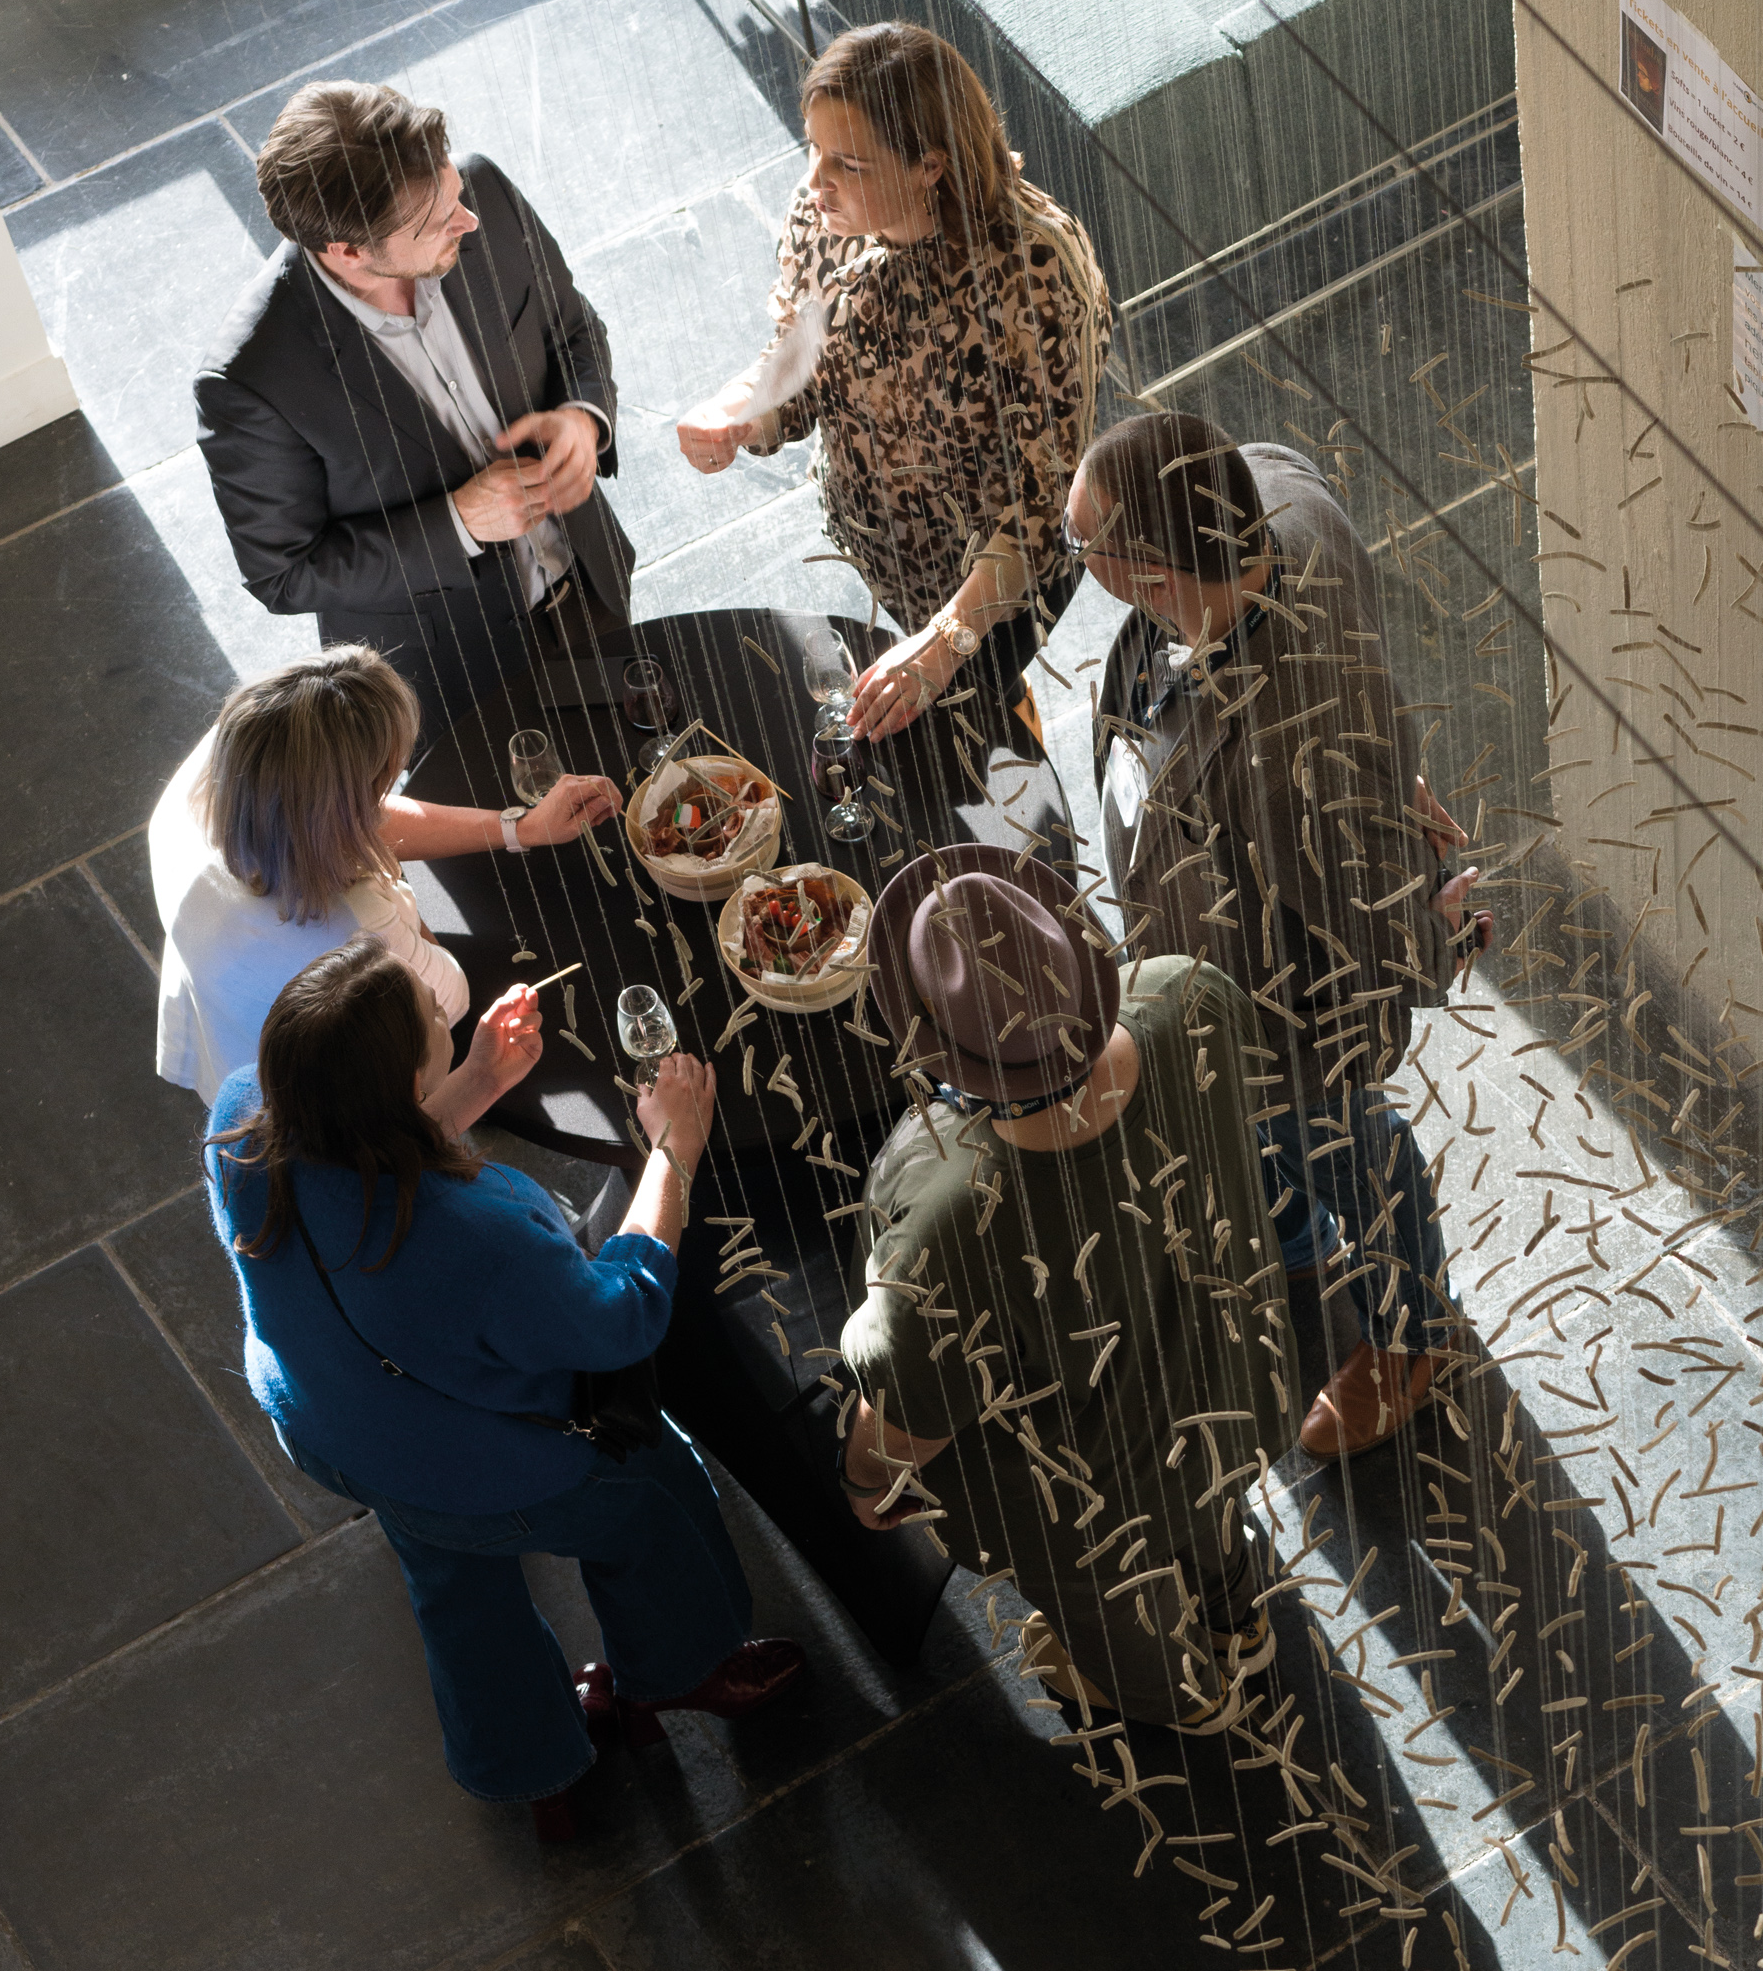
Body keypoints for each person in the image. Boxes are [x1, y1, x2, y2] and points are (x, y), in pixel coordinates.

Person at [205, 937, 803, 1841]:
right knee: (651, 1495)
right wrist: (673, 1151)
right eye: (430, 1020)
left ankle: (532, 1768)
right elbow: (622, 1313)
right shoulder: (471, 1235)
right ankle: (677, 1670)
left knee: (454, 1587)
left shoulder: (244, 1119)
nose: (446, 1009)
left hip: (330, 1427)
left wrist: (477, 1081)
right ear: (403, 1082)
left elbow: (356, 1174)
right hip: (482, 1466)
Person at [1068, 412, 1481, 1462]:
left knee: (1335, 1138)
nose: (1076, 570)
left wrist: (1422, 920)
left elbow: (1375, 911)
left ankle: (1412, 1333)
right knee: (1260, 1140)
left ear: (1155, 571)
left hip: (1281, 1005)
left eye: (1087, 551)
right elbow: (1272, 458)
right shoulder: (1273, 497)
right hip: (1205, 942)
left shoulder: (1294, 728)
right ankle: (1295, 1238)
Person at [836, 845, 1300, 1728]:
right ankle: (1239, 1617)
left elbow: (908, 1423)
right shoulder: (1190, 990)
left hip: (1100, 1505)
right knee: (1210, 1509)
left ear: (941, 1053)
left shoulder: (945, 1226)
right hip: (1235, 1376)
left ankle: (1189, 1701)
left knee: (1116, 1617)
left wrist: (863, 1483)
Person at [677, 22, 1110, 742]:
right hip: (887, 549)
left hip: (993, 580)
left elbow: (1038, 510)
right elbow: (802, 352)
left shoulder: (1034, 269)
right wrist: (741, 410)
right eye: (813, 148)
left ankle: (1010, 719)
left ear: (929, 167)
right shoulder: (826, 212)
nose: (815, 183)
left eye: (846, 161)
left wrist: (944, 647)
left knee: (978, 720)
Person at [197, 80, 633, 743]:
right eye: (436, 224)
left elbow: (573, 326)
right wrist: (459, 522)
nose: (469, 221)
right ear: (346, 250)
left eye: (453, 192)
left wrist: (581, 417)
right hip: (455, 673)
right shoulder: (251, 380)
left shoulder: (479, 194)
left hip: (591, 586)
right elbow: (283, 573)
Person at [152, 645, 620, 1106]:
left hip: (220, 1015)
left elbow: (337, 812)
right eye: (384, 781)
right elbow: (451, 995)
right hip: (334, 1090)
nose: (388, 795)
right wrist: (394, 888)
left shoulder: (233, 756)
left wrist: (522, 828)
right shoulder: (361, 934)